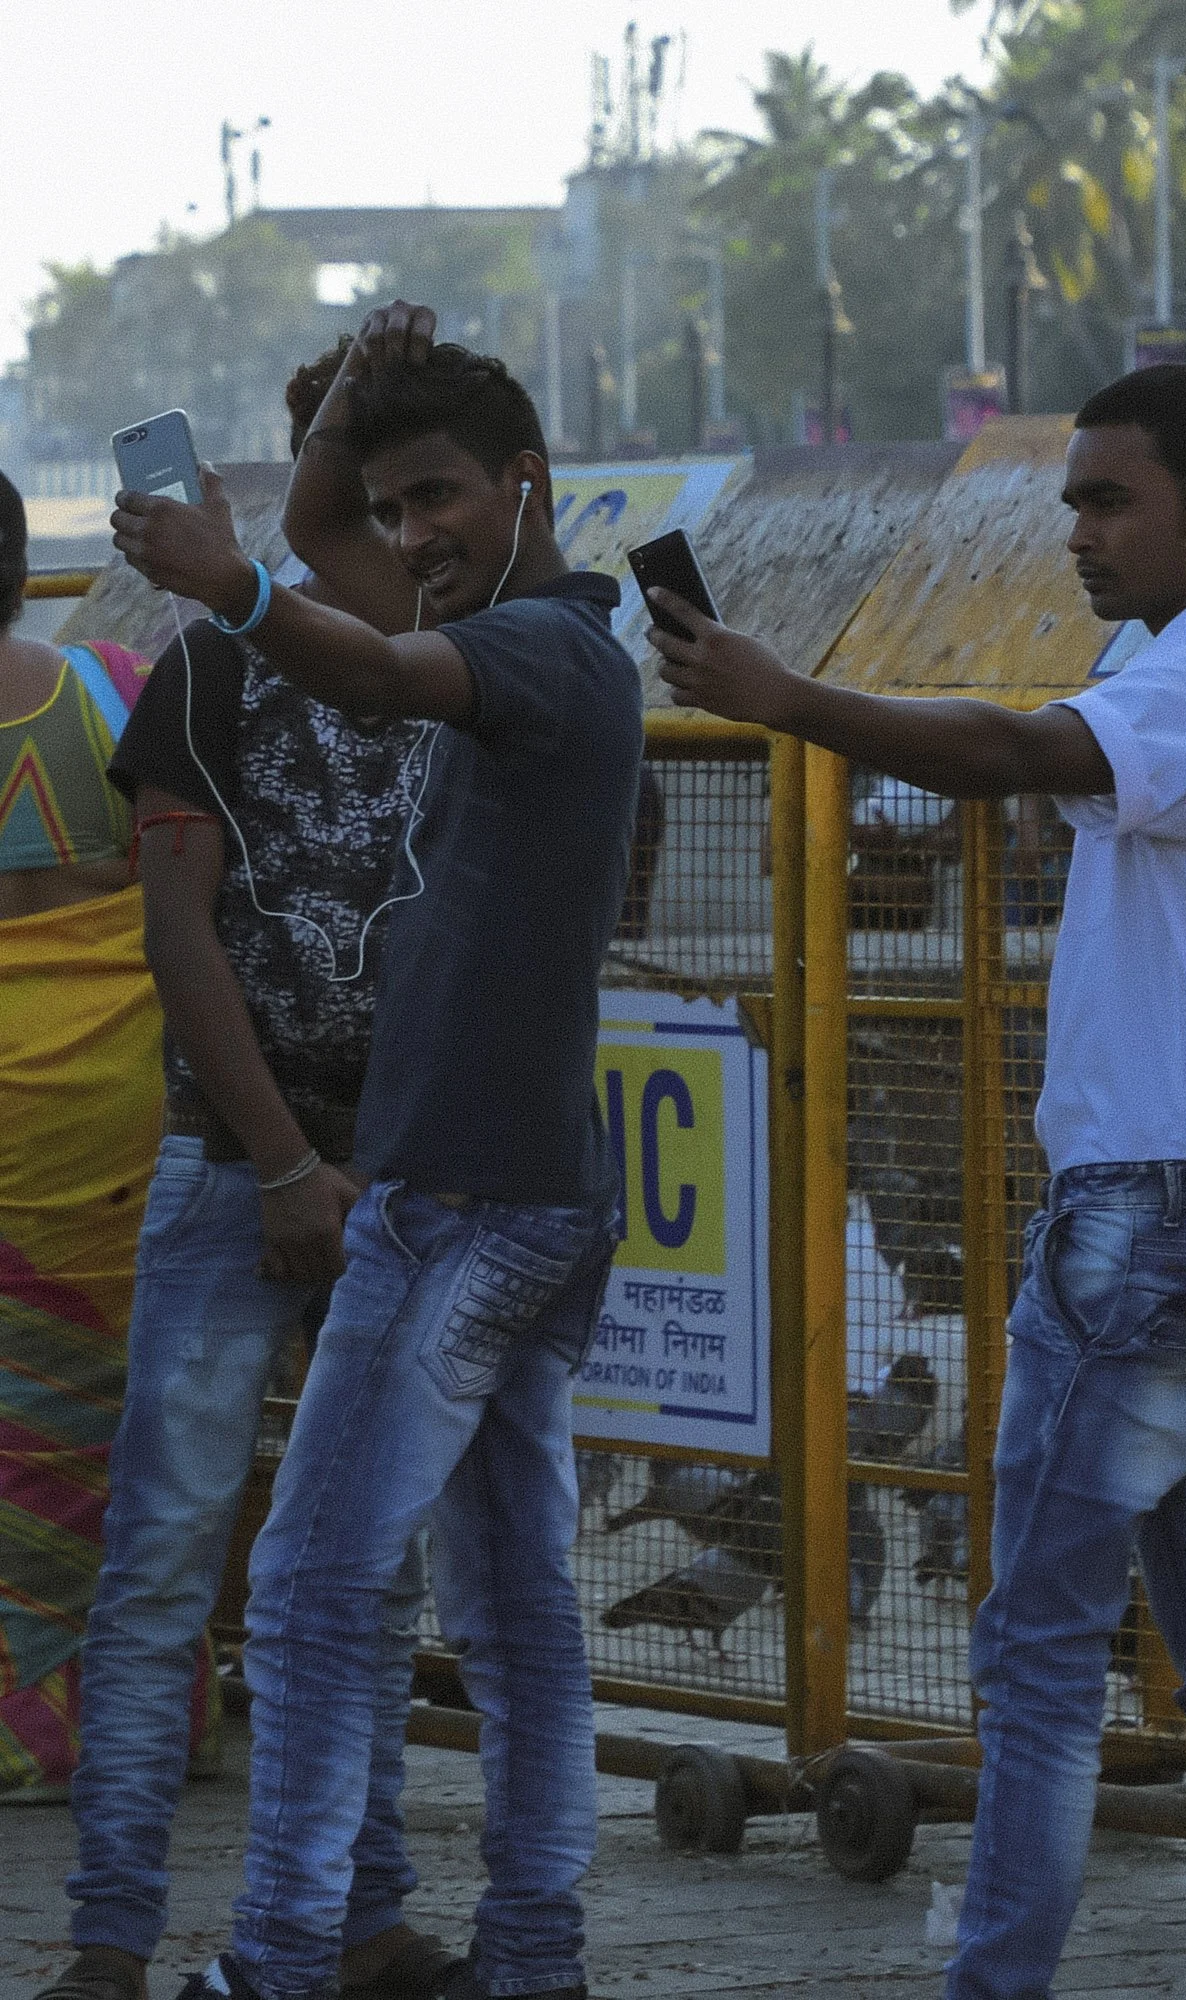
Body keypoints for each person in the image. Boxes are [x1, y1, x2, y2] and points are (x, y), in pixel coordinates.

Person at [650, 363, 1186, 2000]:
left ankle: (1003, 1980)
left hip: (1149, 1229)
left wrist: (791, 698)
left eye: (1109, 500)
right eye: (1074, 500)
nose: (1079, 531)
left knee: (1040, 1660)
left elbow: (994, 750)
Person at [107, 302, 639, 2000]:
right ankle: (535, 1955)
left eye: (441, 501)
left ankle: (271, 1962)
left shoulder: (547, 653)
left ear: (526, 484)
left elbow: (367, 650)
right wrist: (349, 392)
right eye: (396, 511)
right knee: (511, 1611)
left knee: (318, 1586)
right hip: (522, 1192)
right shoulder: (505, 608)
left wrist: (221, 584)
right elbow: (334, 547)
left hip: (461, 1209)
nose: (409, 538)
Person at [41, 350, 451, 2000]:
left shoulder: (458, 671)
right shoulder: (206, 678)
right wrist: (286, 1165)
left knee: (372, 1576)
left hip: (405, 1187)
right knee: (160, 1575)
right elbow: (176, 932)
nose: (402, 518)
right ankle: (110, 1941)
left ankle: (366, 1913)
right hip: (237, 1177)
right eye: (376, 481)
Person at [0, 472, 163, 1803]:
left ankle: (20, 1723)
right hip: (130, 1103)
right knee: (130, 1421)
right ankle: (142, 1710)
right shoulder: (115, 683)